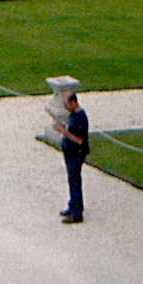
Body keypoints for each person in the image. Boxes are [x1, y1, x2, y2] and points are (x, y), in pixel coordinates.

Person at [56, 86, 90, 224]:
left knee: (75, 181)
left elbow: (79, 140)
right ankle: (73, 205)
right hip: (70, 153)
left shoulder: (80, 117)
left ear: (73, 102)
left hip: (76, 154)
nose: (66, 107)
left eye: (67, 104)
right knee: (72, 180)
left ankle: (77, 213)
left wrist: (63, 131)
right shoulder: (74, 115)